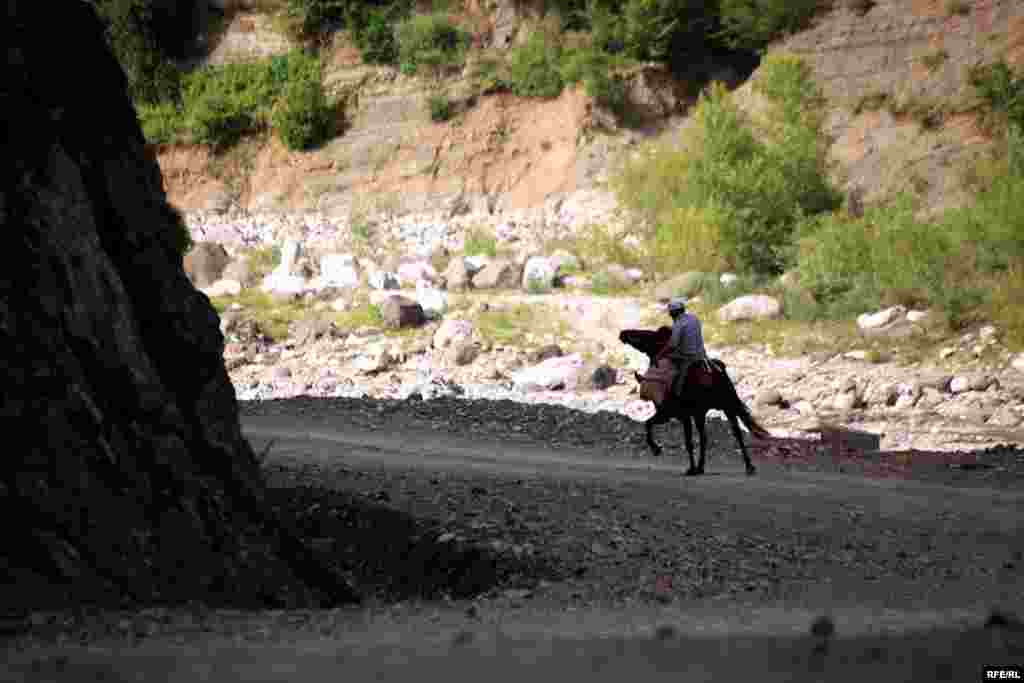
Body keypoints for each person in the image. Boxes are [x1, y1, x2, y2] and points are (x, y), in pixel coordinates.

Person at [656, 297, 709, 398]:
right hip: (702, 353)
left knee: (667, 363)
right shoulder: (694, 318)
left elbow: (673, 345)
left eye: (670, 313)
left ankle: (676, 393)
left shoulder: (678, 324)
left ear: (675, 312)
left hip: (688, 357)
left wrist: (659, 356)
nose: (670, 315)